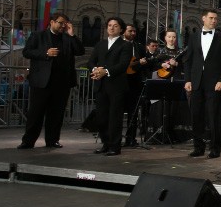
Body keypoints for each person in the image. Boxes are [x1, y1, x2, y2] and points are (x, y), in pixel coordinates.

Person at [18, 12, 84, 149]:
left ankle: (52, 140)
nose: (63, 26)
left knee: (56, 114)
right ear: (52, 22)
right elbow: (27, 52)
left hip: (62, 82)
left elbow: (80, 51)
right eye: (60, 23)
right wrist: (45, 53)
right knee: (36, 113)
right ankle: (28, 141)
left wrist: (72, 34)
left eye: (65, 24)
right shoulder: (38, 36)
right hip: (42, 81)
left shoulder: (68, 38)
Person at [182, 9, 221, 159]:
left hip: (214, 82)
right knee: (196, 115)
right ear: (203, 18)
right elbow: (188, 60)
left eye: (216, 19)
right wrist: (188, 80)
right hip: (196, 81)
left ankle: (215, 148)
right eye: (211, 18)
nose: (214, 21)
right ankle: (198, 147)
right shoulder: (194, 37)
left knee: (213, 116)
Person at [87, 16, 133, 156]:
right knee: (101, 118)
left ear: (121, 29)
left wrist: (105, 71)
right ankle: (105, 144)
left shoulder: (125, 45)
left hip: (116, 86)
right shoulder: (100, 44)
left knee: (115, 118)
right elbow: (91, 61)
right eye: (109, 25)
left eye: (115, 26)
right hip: (101, 86)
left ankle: (115, 146)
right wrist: (95, 70)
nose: (112, 28)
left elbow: (123, 64)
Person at [121, 24, 146, 147]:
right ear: (123, 31)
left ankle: (131, 139)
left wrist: (142, 63)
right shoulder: (118, 44)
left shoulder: (139, 47)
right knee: (118, 111)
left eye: (135, 31)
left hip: (135, 82)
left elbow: (144, 63)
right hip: (121, 81)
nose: (133, 33)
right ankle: (114, 138)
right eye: (130, 31)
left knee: (134, 112)